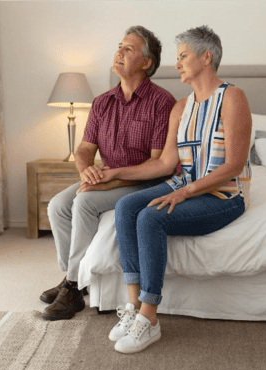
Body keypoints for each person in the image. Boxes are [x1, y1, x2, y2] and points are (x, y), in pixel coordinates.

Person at [96, 25, 252, 354]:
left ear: (206, 57)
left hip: (223, 195)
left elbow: (234, 165)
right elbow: (166, 164)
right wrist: (115, 173)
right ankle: (134, 306)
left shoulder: (232, 97)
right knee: (126, 207)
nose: (177, 64)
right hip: (184, 184)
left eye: (183, 56)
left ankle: (150, 319)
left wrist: (185, 192)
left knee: (151, 218)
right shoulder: (181, 108)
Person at [41, 26, 176, 321]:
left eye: (129, 49)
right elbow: (84, 150)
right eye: (119, 46)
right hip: (107, 176)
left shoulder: (162, 102)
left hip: (143, 181)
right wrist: (87, 172)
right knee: (57, 206)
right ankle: (71, 276)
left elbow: (156, 165)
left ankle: (74, 288)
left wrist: (108, 179)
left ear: (147, 63)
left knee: (84, 203)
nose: (119, 53)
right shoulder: (102, 102)